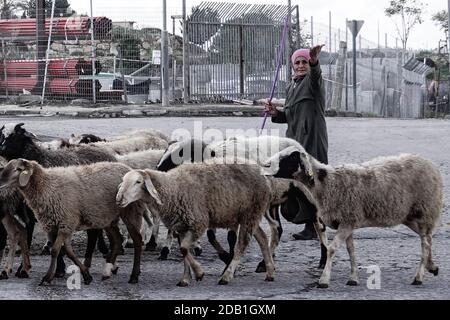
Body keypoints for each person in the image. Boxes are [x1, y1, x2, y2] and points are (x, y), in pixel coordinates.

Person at [264, 44, 328, 241]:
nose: (301, 65)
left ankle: (315, 225)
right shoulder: (292, 85)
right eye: (297, 62)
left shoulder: (312, 82)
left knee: (311, 180)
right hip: (294, 139)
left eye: (304, 62)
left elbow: (316, 75)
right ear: (292, 66)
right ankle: (309, 221)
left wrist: (314, 61)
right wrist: (276, 113)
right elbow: (291, 114)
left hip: (312, 139)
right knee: (298, 180)